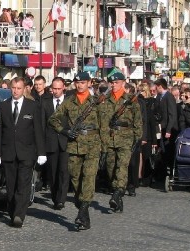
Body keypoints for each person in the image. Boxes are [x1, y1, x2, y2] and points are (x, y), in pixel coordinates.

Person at [48, 72, 105, 231]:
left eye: (83, 82)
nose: (79, 85)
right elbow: (53, 119)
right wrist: (64, 131)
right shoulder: (69, 102)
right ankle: (82, 208)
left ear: (89, 83)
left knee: (88, 176)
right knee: (75, 178)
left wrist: (105, 147)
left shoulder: (97, 101)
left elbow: (104, 125)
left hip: (93, 144)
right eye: (77, 82)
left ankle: (83, 210)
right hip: (74, 145)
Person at [0, 77, 46, 228]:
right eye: (13, 88)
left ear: (24, 89)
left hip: (27, 152)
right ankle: (12, 211)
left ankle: (19, 215)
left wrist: (41, 152)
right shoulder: (3, 106)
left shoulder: (32, 106)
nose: (16, 91)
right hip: (8, 152)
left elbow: (38, 131)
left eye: (18, 88)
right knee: (11, 187)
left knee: (23, 185)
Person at [100, 72, 142, 213]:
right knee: (111, 168)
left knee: (122, 167)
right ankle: (118, 195)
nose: (113, 85)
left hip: (126, 137)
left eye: (116, 82)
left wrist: (136, 138)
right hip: (110, 138)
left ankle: (118, 192)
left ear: (123, 83)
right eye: (111, 83)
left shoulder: (131, 100)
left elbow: (138, 121)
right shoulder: (105, 99)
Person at [41, 77, 69, 210]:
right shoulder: (45, 102)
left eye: (59, 88)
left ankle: (61, 199)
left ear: (64, 88)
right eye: (54, 89)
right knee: (52, 172)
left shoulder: (69, 102)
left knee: (64, 171)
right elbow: (41, 124)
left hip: (65, 141)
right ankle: (55, 196)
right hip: (50, 141)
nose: (56, 91)